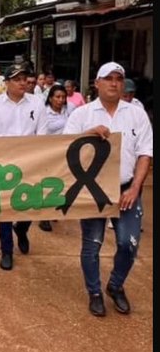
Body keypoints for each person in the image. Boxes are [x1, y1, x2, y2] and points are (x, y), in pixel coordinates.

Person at [63, 61, 153, 317]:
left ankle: (115, 285)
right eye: (109, 78)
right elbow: (63, 148)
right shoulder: (82, 115)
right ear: (97, 83)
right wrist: (88, 134)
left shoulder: (137, 113)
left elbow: (145, 153)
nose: (114, 82)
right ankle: (94, 292)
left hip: (126, 189)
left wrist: (136, 188)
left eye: (118, 78)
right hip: (93, 190)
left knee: (128, 243)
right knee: (92, 245)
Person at [0, 62, 47, 269]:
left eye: (24, 79)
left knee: (31, 202)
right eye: (17, 79)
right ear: (6, 83)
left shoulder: (37, 103)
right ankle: (7, 250)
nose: (22, 83)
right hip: (3, 164)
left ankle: (23, 228)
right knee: (5, 209)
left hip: (30, 162)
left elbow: (42, 133)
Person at [39, 83, 73, 232]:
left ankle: (53, 208)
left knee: (62, 182)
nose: (60, 100)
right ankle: (44, 216)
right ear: (51, 98)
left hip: (67, 151)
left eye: (63, 97)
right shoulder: (44, 113)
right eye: (57, 97)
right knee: (48, 183)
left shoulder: (71, 109)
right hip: (49, 151)